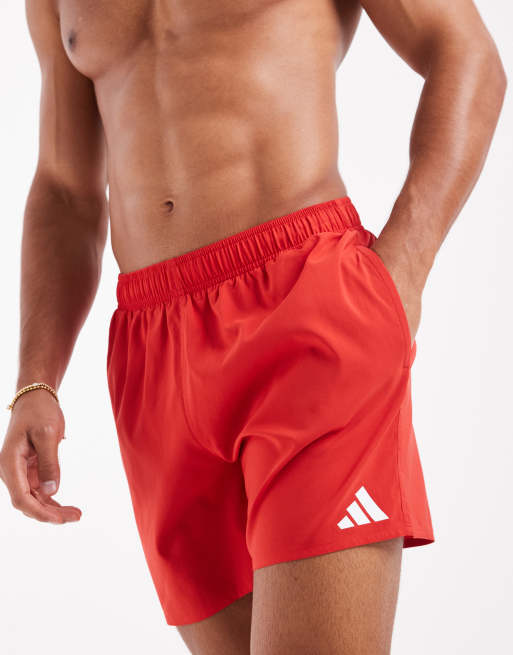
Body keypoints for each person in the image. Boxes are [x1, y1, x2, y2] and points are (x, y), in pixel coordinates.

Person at [0, 0, 506, 652]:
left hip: (306, 312)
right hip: (153, 352)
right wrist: (35, 380)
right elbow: (66, 189)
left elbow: (465, 54)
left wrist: (401, 271)